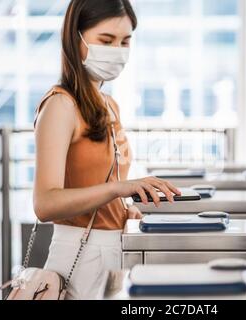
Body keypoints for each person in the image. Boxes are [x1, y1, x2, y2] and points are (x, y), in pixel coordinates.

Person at [33, 0, 180, 299]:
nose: (117, 50)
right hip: (78, 256)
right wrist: (119, 190)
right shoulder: (60, 105)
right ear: (76, 38)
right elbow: (45, 204)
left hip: (114, 250)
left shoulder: (109, 105)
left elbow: (102, 185)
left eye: (125, 41)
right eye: (106, 40)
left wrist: (123, 209)